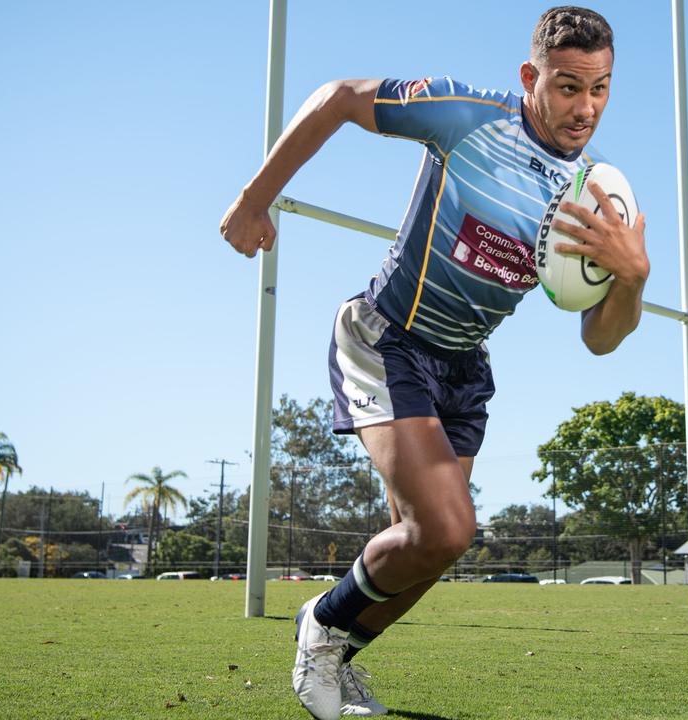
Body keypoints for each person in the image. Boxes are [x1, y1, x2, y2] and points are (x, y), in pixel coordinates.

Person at [219, 6, 648, 718]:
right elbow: (339, 99)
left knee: (428, 551)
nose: (586, 108)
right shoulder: (469, 116)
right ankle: (322, 628)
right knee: (447, 527)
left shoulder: (595, 196)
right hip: (387, 337)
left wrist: (633, 278)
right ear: (529, 76)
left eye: (600, 89)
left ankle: (335, 655)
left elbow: (599, 339)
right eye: (569, 87)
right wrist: (252, 200)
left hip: (464, 367)